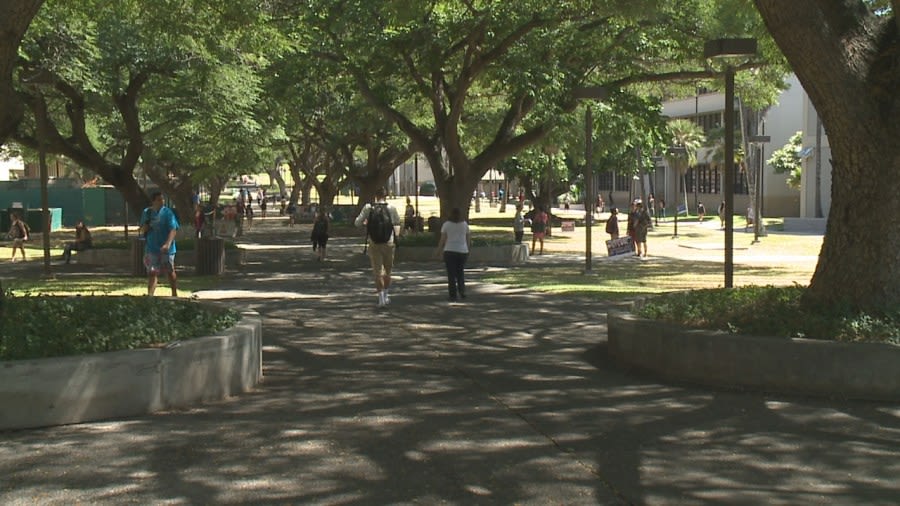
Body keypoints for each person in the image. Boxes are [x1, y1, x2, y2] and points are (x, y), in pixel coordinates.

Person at [355, 187, 401, 307]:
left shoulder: (368, 208)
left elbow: (357, 223)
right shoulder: (391, 208)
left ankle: (380, 299)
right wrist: (396, 238)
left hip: (374, 243)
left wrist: (366, 223)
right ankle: (386, 295)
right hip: (389, 243)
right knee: (388, 271)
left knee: (377, 272)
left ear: (375, 195)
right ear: (386, 195)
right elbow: (397, 224)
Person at [139, 191, 179, 297]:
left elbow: (173, 229)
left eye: (163, 199)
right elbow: (142, 228)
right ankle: (150, 295)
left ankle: (174, 293)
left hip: (167, 249)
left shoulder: (168, 213)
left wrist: (168, 244)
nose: (162, 201)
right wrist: (147, 226)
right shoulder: (147, 212)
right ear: (153, 201)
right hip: (152, 248)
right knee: (152, 272)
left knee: (170, 272)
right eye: (159, 200)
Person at [436, 207, 471, 302]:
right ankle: (462, 291)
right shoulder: (464, 225)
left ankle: (453, 295)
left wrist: (439, 251)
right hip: (462, 251)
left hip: (449, 250)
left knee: (451, 274)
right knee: (460, 272)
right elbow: (468, 239)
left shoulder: (447, 225)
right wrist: (467, 249)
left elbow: (443, 239)